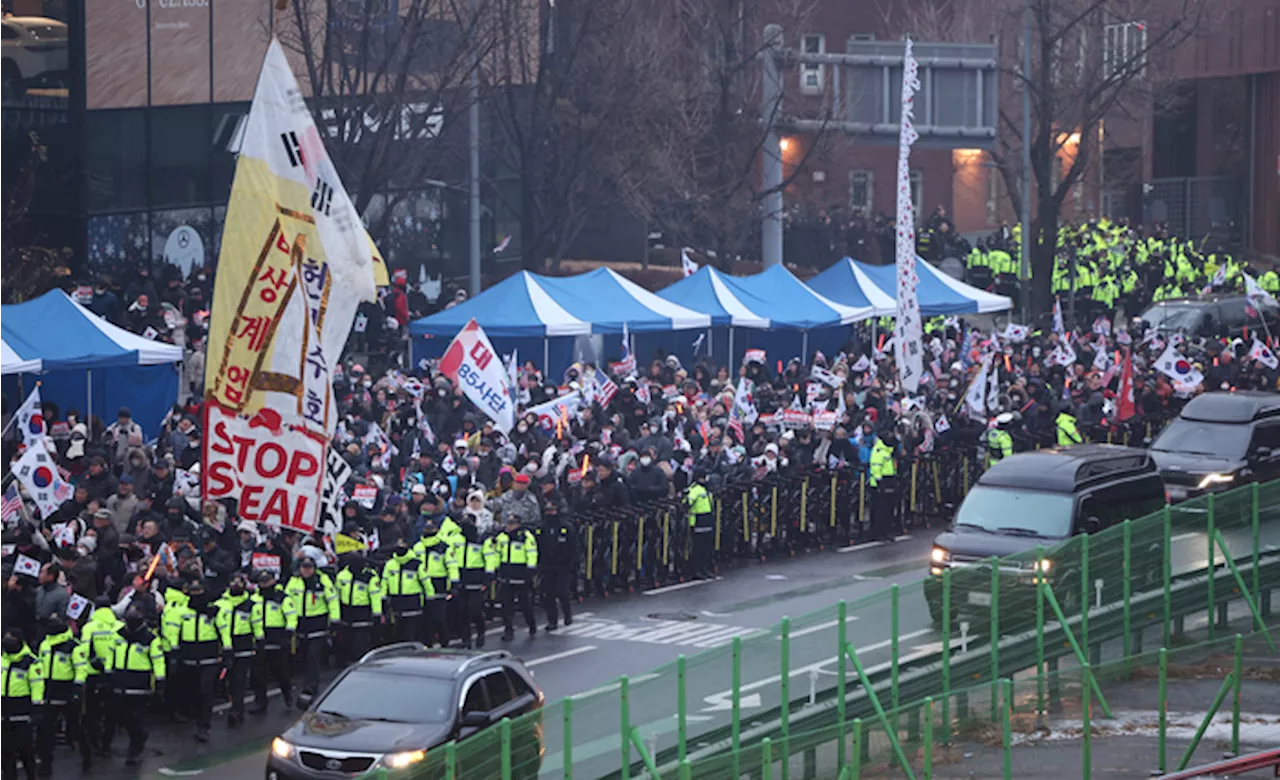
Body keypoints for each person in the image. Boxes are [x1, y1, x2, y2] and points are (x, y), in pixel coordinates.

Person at [107, 606, 165, 768]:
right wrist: (108, 675)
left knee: (136, 717)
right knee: (122, 717)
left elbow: (158, 661)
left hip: (140, 685)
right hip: (120, 683)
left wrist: (160, 682)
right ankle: (139, 736)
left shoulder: (150, 639)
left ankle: (134, 749)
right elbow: (111, 655)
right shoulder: (117, 636)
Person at [35, 614, 91, 773]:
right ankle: (46, 763)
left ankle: (86, 754)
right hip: (48, 690)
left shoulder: (73, 646)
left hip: (67, 690)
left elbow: (81, 668)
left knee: (75, 728)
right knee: (45, 730)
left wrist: (77, 688)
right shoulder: (45, 644)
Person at [285, 557, 337, 702]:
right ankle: (307, 683)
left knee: (312, 656)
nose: (306, 570)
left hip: (318, 624)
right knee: (303, 656)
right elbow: (287, 600)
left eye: (309, 567)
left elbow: (332, 600)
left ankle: (310, 687)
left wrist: (335, 619)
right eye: (303, 567)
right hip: (300, 624)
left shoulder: (323, 581)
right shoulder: (294, 581)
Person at [174, 578, 220, 741]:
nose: (196, 595)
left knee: (205, 690)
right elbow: (175, 631)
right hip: (189, 657)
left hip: (209, 657)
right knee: (193, 692)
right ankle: (194, 719)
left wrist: (227, 651)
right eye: (193, 592)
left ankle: (204, 725)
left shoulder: (213, 611)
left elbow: (223, 631)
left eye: (198, 591)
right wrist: (174, 650)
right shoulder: (182, 611)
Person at [248, 570, 295, 714]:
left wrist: (288, 634)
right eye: (261, 582)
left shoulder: (282, 598)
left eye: (267, 581)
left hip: (278, 638)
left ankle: (287, 695)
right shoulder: (253, 599)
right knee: (258, 674)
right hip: (260, 639)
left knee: (281, 673)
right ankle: (260, 702)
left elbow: (291, 616)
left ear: (273, 581)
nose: (264, 584)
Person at [214, 574, 255, 728]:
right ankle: (234, 705)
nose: (236, 585)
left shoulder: (251, 604)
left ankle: (237, 710)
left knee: (239, 680)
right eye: (233, 582)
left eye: (239, 583)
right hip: (225, 648)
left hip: (243, 646)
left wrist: (258, 642)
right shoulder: (220, 604)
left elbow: (256, 625)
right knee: (227, 680)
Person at [81, 599, 121, 757]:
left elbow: (84, 649)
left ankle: (94, 742)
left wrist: (93, 661)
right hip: (113, 674)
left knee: (92, 711)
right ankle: (106, 743)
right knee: (111, 711)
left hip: (92, 674)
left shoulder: (89, 627)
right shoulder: (118, 626)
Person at [412, 515, 458, 648]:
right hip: (422, 586)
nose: (428, 530)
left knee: (440, 619)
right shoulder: (418, 547)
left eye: (431, 528)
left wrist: (454, 584)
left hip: (439, 586)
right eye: (426, 528)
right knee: (425, 619)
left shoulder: (443, 547)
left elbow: (452, 566)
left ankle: (445, 644)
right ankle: (427, 644)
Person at [0, 627, 40, 780]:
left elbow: (37, 686)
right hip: (4, 709)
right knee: (5, 751)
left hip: (22, 710)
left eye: (11, 638)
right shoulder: (2, 659)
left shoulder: (31, 661)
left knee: (26, 750)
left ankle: (31, 776)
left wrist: (37, 708)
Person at [334, 546, 383, 664]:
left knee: (360, 642)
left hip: (362, 612)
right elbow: (337, 595)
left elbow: (375, 596)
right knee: (346, 640)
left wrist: (377, 614)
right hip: (346, 612)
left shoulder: (370, 576)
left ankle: (360, 662)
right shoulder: (342, 575)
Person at [534, 497, 577, 631]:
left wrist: (573, 564)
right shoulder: (541, 528)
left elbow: (574, 547)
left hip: (563, 565)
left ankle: (567, 614)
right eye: (547, 510)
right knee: (548, 594)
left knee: (562, 591)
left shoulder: (566, 527)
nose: (550, 513)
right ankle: (552, 620)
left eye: (552, 510)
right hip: (546, 565)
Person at [493, 513, 538, 641]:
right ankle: (508, 630)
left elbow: (531, 553)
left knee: (525, 604)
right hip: (506, 574)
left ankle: (531, 625)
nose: (509, 526)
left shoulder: (526, 537)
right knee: (506, 605)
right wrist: (496, 568)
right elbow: (497, 553)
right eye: (508, 523)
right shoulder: (502, 537)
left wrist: (530, 569)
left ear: (518, 524)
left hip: (521, 574)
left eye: (512, 524)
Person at [454, 515, 497, 649]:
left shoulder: (482, 539)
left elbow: (490, 558)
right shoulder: (456, 539)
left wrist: (489, 574)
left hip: (477, 577)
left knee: (475, 608)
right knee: (462, 611)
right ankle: (466, 639)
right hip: (461, 577)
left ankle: (481, 631)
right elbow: (451, 557)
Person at [381, 538, 430, 644]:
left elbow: (426, 581)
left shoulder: (416, 564)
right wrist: (383, 596)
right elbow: (384, 582)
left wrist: (430, 597)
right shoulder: (390, 564)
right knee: (398, 632)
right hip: (396, 601)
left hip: (413, 601)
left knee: (411, 632)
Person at [867, 428, 899, 542]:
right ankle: (878, 532)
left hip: (889, 480)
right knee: (880, 510)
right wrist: (880, 483)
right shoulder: (879, 451)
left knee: (888, 509)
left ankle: (885, 531)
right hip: (879, 484)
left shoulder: (887, 451)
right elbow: (876, 468)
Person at [685, 467, 714, 579]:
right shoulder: (695, 489)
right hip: (698, 522)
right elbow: (688, 502)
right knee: (698, 548)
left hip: (707, 520)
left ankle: (704, 569)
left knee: (706, 548)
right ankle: (697, 570)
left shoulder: (706, 489)